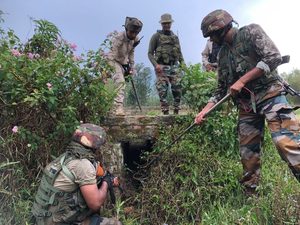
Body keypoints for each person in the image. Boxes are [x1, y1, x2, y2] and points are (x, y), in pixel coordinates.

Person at [195, 9, 300, 197]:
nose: (211, 40)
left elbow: (273, 56)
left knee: (287, 145)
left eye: (211, 35)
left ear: (219, 29)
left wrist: (243, 80)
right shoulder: (222, 56)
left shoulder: (251, 32)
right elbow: (220, 90)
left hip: (270, 95)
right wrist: (204, 111)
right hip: (246, 106)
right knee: (248, 156)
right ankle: (252, 200)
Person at [32, 123, 122, 225]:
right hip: (58, 222)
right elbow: (95, 203)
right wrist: (106, 182)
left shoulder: (65, 158)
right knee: (116, 223)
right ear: (95, 146)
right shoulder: (83, 165)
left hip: (44, 219)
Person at [148, 13, 185, 115]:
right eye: (164, 23)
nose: (166, 25)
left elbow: (180, 53)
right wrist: (156, 65)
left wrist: (183, 64)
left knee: (177, 89)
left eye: (168, 23)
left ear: (171, 23)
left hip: (174, 66)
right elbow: (150, 53)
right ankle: (165, 113)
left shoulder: (175, 37)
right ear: (161, 24)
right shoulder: (156, 37)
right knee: (162, 90)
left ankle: (176, 112)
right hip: (161, 66)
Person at [107, 17, 143, 116]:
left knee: (123, 85)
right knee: (119, 81)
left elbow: (131, 52)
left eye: (136, 33)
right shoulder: (119, 37)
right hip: (114, 61)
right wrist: (109, 68)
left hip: (124, 63)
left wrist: (132, 65)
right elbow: (111, 53)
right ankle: (118, 107)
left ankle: (115, 107)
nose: (134, 34)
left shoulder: (134, 39)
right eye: (132, 32)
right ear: (127, 30)